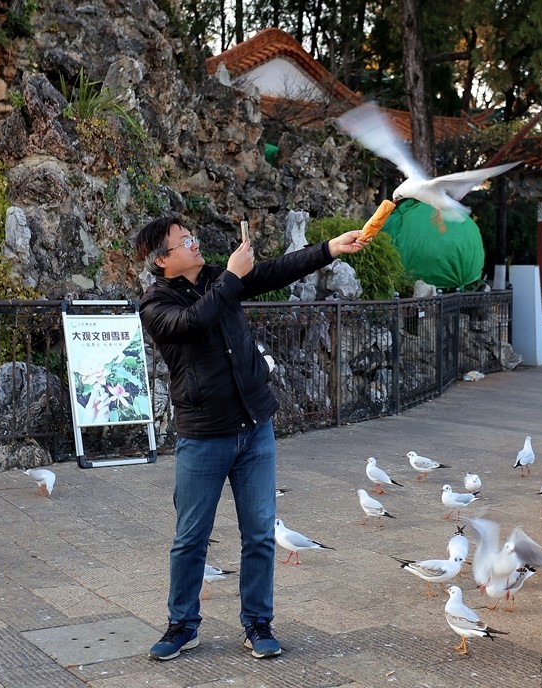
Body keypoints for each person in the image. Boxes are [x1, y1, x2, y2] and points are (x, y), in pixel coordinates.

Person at [134, 216, 369, 661]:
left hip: (254, 427)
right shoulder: (156, 303)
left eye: (193, 237)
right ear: (162, 259)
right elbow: (193, 323)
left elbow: (275, 271)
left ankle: (258, 623)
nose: (195, 244)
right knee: (191, 538)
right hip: (204, 436)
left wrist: (330, 249)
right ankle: (182, 625)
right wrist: (231, 277)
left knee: (260, 534)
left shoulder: (217, 278)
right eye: (185, 241)